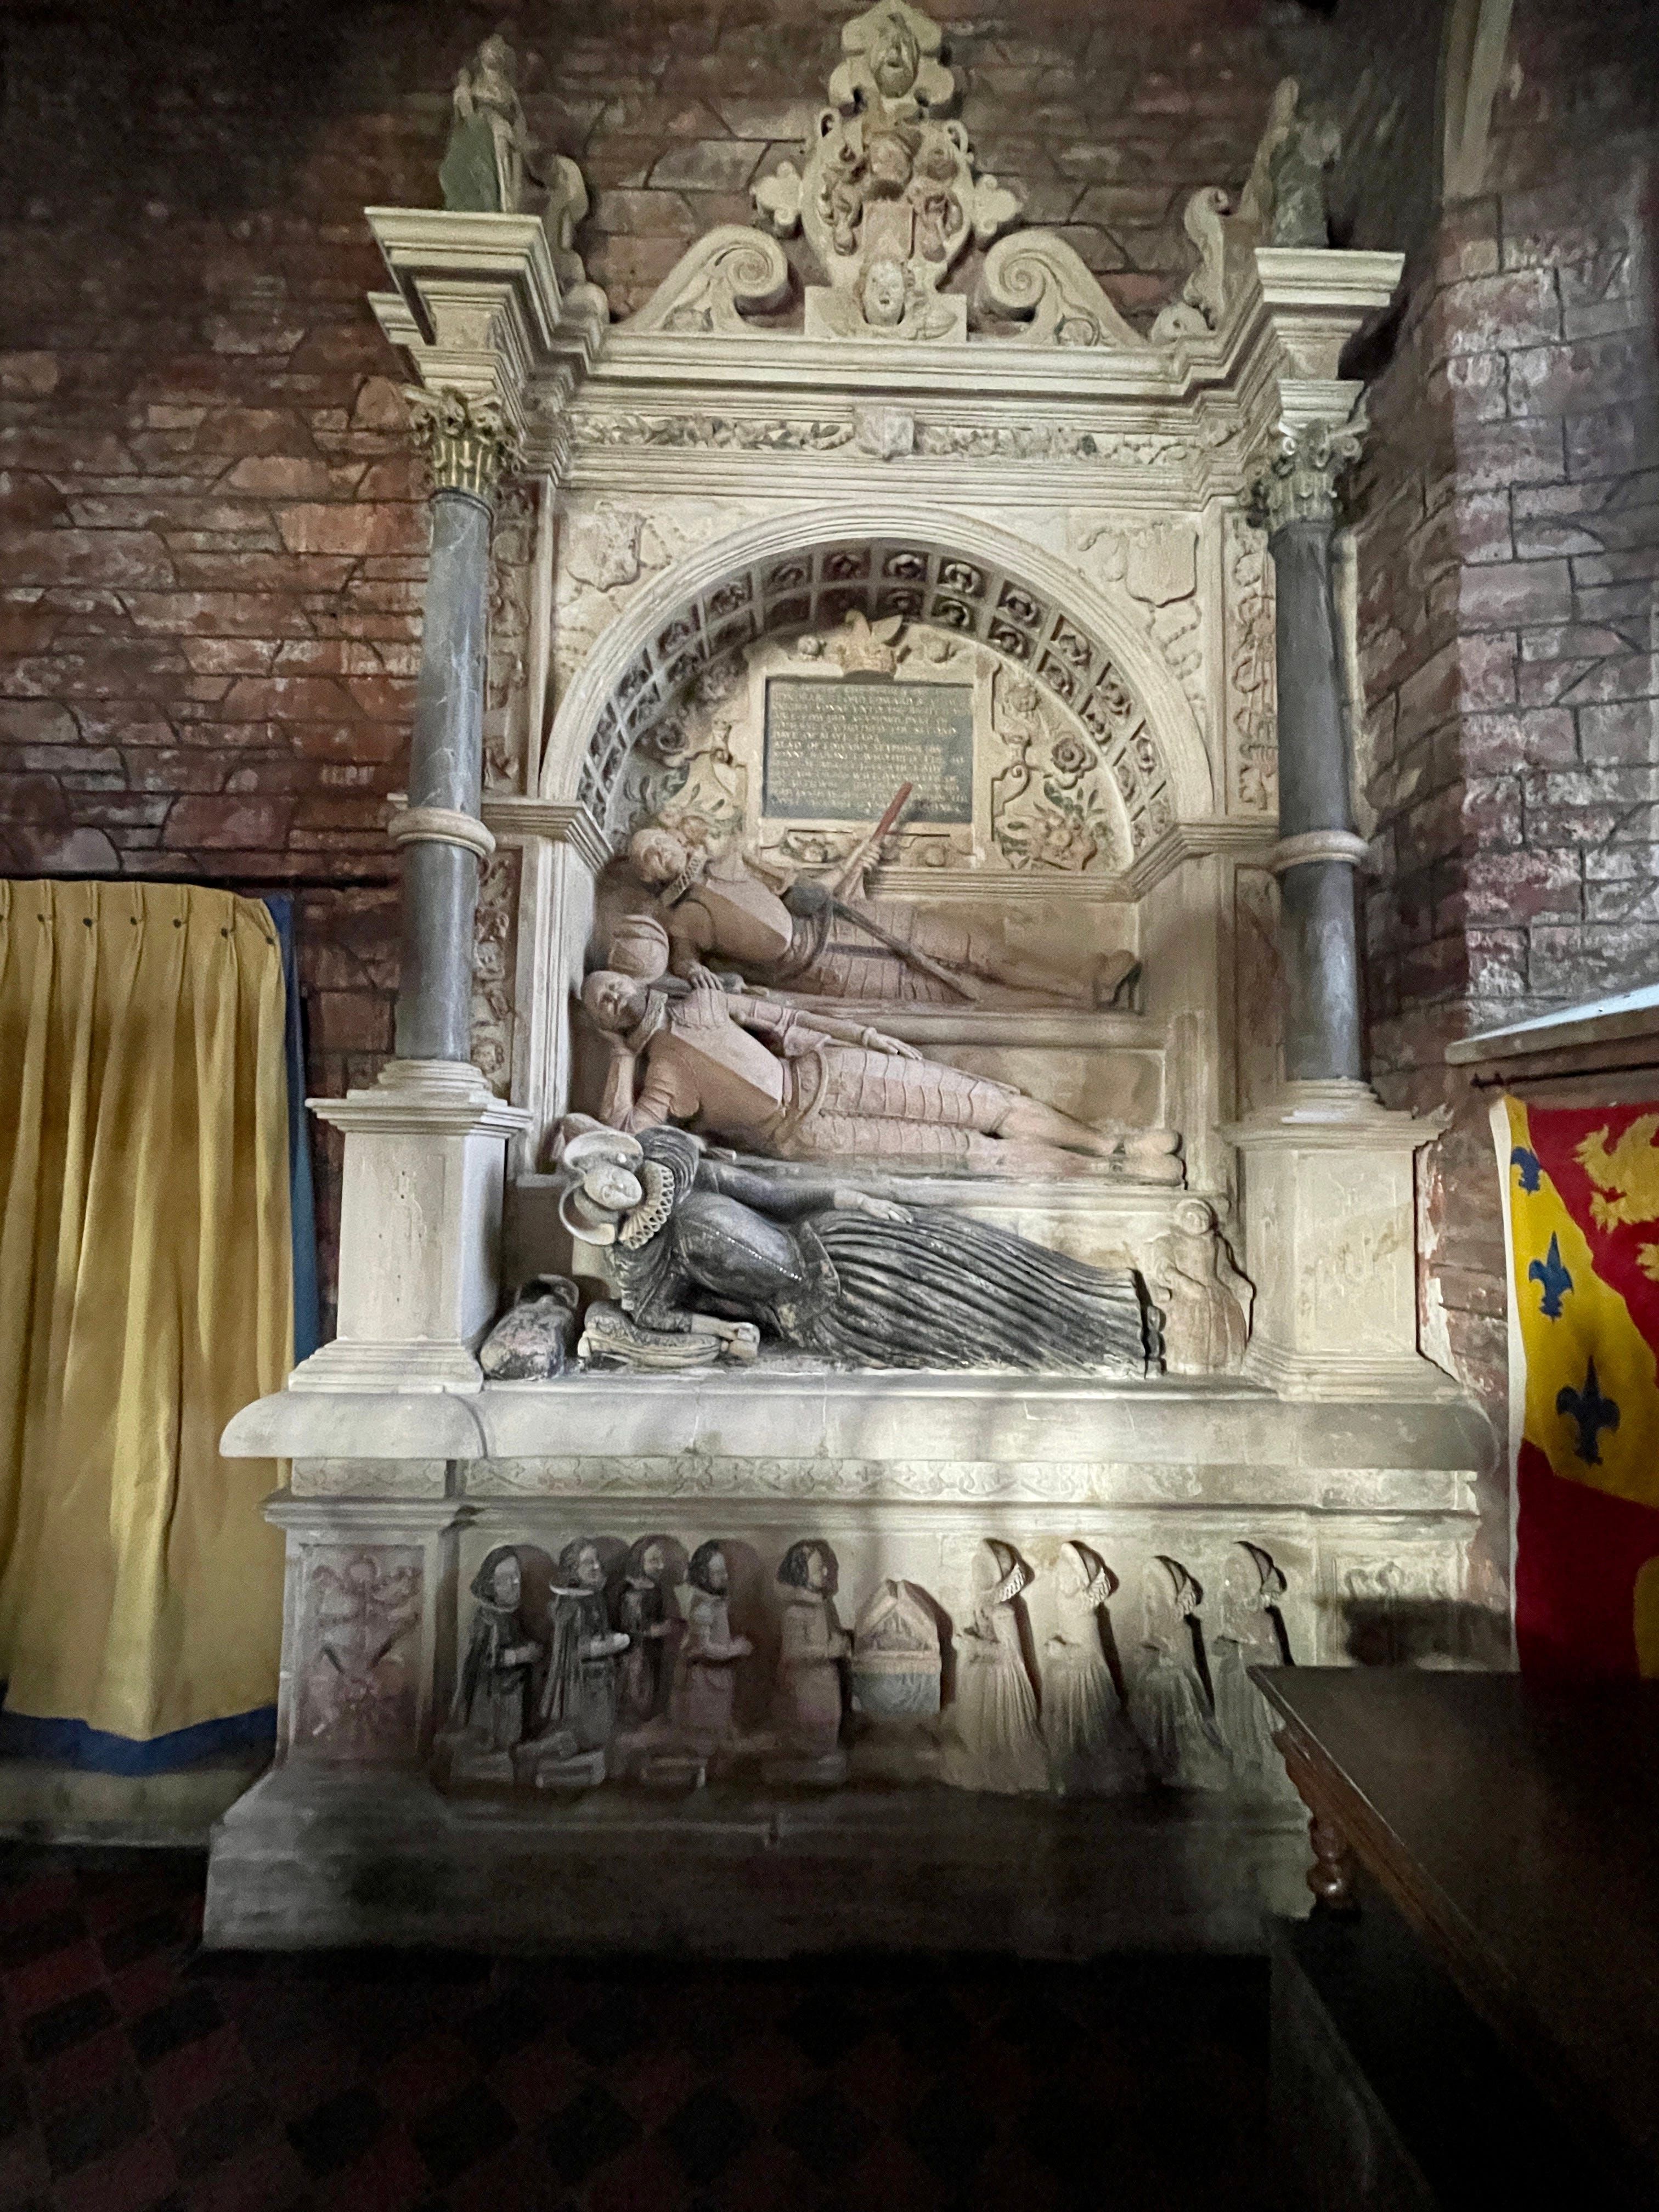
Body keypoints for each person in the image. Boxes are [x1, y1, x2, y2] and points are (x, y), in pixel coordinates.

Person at [582, 924, 1180, 1183]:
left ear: (632, 979)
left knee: (988, 1101)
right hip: (810, 1135)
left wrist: (866, 1037)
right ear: (606, 1022)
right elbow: (625, 1135)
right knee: (975, 1154)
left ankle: (1111, 1145)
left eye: (610, 986)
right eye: (602, 1006)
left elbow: (790, 1018)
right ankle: (1109, 1174)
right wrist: (620, 1056)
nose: (611, 997)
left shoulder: (706, 1000)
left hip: (830, 1068)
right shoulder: (662, 1077)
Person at [559, 1120, 1155, 1376]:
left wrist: (859, 1201)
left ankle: (1104, 1303)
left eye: (613, 1176)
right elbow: (657, 1316)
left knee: (972, 1262)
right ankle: (1106, 1349)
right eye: (607, 1194)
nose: (618, 1187)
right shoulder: (649, 1257)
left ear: (625, 1162)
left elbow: (776, 1195)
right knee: (966, 1330)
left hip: (841, 1244)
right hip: (822, 1313)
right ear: (611, 1213)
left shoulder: (690, 1178)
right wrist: (722, 1332)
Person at [623, 825, 1139, 1009]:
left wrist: (854, 866)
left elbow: (812, 895)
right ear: (649, 876)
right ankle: (1079, 1002)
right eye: (649, 857)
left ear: (677, 839)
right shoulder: (681, 919)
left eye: (659, 843)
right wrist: (694, 971)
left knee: (979, 950)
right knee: (963, 995)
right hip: (825, 972)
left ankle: (1081, 981)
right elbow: (685, 963)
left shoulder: (736, 859)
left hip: (851, 919)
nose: (660, 855)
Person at [943, 1540, 1048, 1794]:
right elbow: (977, 1631)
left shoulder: (1003, 1612)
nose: (975, 1577)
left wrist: (975, 1646)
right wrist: (965, 1639)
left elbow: (1009, 1653)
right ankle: (973, 1748)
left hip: (1001, 1676)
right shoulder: (981, 1604)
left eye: (981, 1571)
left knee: (982, 1693)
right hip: (983, 1666)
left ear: (994, 1577)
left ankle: (989, 1754)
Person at [1042, 1541, 1147, 1795]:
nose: (1059, 1581)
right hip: (1067, 1670)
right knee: (1063, 1724)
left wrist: (1065, 1651)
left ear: (1080, 1582)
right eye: (1059, 1575)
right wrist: (1055, 1644)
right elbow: (1064, 1632)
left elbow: (1090, 1653)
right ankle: (1066, 1767)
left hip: (1084, 1677)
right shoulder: (1064, 1604)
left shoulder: (1087, 1615)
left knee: (1090, 1731)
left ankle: (1087, 1770)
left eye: (1065, 1576)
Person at [770, 1541, 851, 1776]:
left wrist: (840, 1644)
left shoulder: (822, 1605)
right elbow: (793, 1652)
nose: (825, 1572)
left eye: (824, 1567)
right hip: (806, 1685)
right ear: (801, 1574)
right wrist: (828, 1650)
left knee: (828, 1728)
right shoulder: (794, 1612)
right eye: (817, 1569)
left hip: (825, 1681)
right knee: (812, 1733)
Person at [450, 1547, 540, 1755]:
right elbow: (485, 1660)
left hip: (516, 1692)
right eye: (507, 1577)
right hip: (493, 1696)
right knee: (497, 1744)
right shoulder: (487, 1619)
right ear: (491, 1584)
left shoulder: (512, 1616)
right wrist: (519, 1655)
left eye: (517, 1575)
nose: (515, 1582)